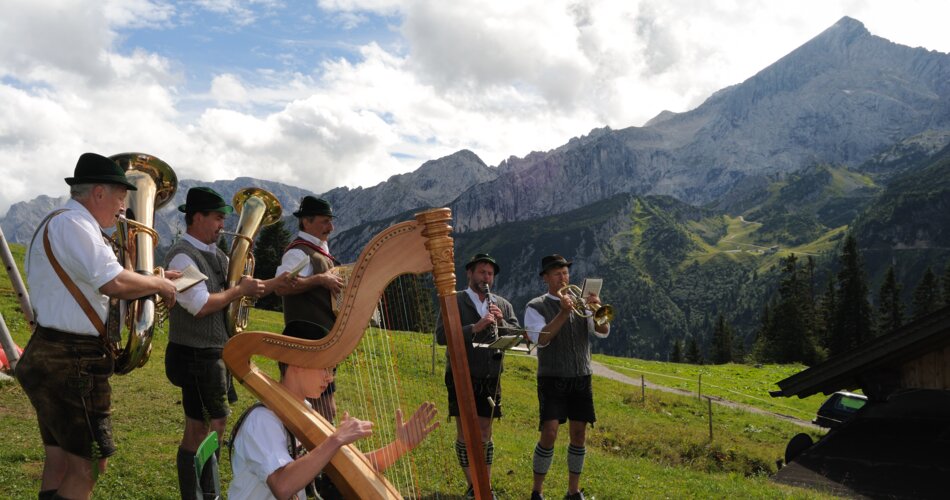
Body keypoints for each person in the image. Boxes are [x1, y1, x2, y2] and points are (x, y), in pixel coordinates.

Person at [16, 152, 178, 500]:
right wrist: (161, 286)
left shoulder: (66, 224)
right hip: (71, 361)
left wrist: (155, 277)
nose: (124, 207)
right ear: (99, 193)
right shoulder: (75, 225)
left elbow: (103, 282)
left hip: (52, 355)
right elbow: (113, 284)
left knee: (59, 460)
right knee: (89, 466)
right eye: (121, 197)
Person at [164, 186, 290, 499]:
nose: (224, 224)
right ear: (197, 217)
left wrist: (277, 283)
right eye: (218, 217)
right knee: (205, 427)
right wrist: (237, 291)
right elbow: (201, 305)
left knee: (209, 425)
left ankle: (205, 490)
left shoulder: (216, 254)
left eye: (224, 218)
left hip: (213, 353)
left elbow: (240, 287)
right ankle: (202, 492)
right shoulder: (182, 255)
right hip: (194, 353)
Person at [229, 320, 440, 500]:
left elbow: (347, 468)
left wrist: (401, 445)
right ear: (297, 363)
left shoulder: (303, 410)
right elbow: (283, 486)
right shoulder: (263, 421)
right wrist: (335, 439)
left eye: (333, 369)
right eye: (325, 367)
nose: (330, 377)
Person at [523, 254, 610, 500]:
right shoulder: (535, 306)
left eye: (566, 273)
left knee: (579, 434)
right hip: (552, 378)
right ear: (545, 278)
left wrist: (598, 307)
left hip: (581, 376)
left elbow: (604, 330)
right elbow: (541, 338)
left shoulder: (583, 304)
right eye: (557, 274)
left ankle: (573, 491)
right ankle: (537, 491)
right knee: (549, 432)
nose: (564, 277)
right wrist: (562, 313)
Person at [435, 253, 520, 499]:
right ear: (469, 273)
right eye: (481, 272)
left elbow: (516, 334)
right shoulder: (453, 301)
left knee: (485, 433)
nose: (486, 278)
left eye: (490, 274)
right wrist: (475, 327)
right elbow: (441, 337)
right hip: (461, 373)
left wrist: (502, 322)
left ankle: (485, 485)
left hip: (491, 375)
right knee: (465, 432)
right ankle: (473, 485)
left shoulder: (502, 304)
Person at [273, 195, 344, 422]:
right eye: (325, 221)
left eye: (330, 221)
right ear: (306, 221)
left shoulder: (318, 249)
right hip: (307, 340)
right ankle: (319, 453)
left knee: (321, 409)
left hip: (321, 340)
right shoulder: (298, 252)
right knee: (325, 410)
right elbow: (282, 287)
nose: (330, 227)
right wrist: (320, 280)